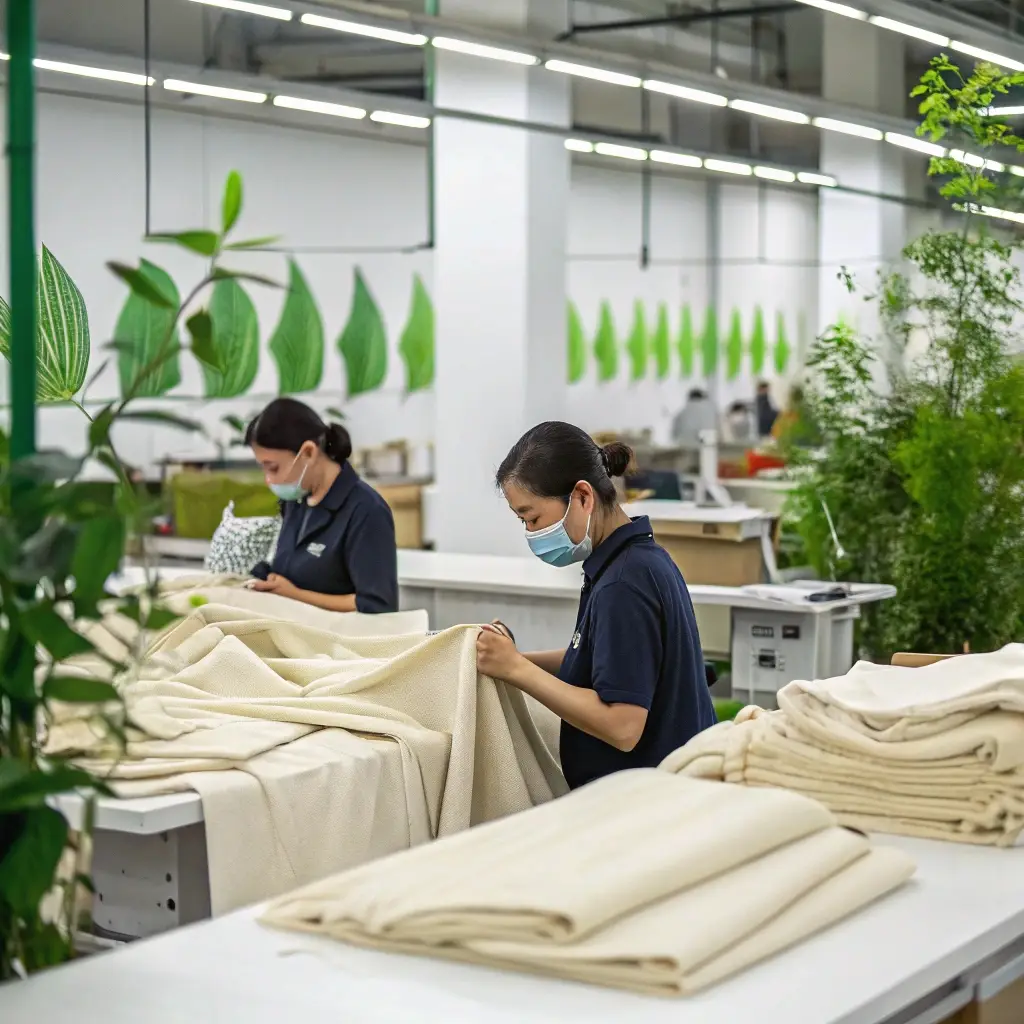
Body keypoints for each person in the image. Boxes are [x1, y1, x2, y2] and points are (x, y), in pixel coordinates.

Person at [476, 421, 717, 789]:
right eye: (523, 521)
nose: (531, 534)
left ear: (583, 497)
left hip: (649, 799)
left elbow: (623, 727)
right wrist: (515, 658)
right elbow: (600, 659)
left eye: (533, 518)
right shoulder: (632, 561)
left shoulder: (624, 584)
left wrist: (516, 670)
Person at [244, 397, 398, 613]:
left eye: (273, 468)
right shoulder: (296, 502)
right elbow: (291, 572)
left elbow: (377, 605)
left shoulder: (366, 510)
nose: (268, 480)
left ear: (308, 452)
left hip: (336, 634)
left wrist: (294, 595)